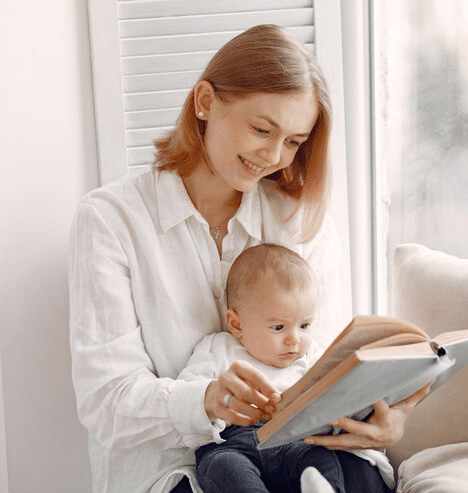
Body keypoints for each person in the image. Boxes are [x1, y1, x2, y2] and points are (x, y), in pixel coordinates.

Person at [68, 24, 429, 493]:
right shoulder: (111, 220)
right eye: (262, 129)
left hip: (304, 449)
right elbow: (106, 401)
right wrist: (205, 400)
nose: (274, 156)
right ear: (205, 102)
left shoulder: (301, 221)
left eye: (295, 141)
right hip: (177, 465)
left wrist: (383, 419)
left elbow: (326, 365)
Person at [179, 243, 393, 493]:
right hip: (232, 443)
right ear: (237, 324)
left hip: (294, 440)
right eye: (279, 327)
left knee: (320, 457)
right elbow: (188, 394)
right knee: (223, 468)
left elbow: (337, 393)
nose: (295, 339)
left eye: (304, 326)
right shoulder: (215, 347)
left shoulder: (312, 357)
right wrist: (215, 398)